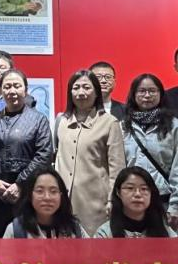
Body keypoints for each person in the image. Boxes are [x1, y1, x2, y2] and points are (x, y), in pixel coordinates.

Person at [121, 73, 178, 231]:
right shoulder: (122, 127)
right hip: (130, 205)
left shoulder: (174, 127)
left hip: (164, 205)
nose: (147, 95)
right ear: (133, 95)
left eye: (152, 91)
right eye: (142, 91)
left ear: (161, 94)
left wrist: (176, 207)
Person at [0, 68, 53, 236]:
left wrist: (20, 184)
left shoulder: (39, 120)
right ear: (1, 91)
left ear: (25, 90)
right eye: (7, 87)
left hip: (26, 192)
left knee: (24, 239)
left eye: (17, 86)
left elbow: (44, 155)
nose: (12, 91)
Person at [54, 69, 126, 236]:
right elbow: (56, 159)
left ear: (96, 92)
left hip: (96, 203)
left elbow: (117, 167)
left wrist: (113, 200)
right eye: (76, 88)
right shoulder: (61, 121)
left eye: (86, 87)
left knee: (94, 248)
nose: (81, 93)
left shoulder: (110, 123)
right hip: (63, 202)